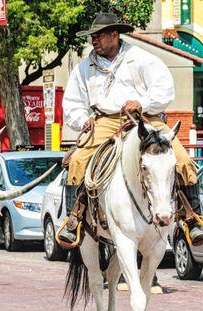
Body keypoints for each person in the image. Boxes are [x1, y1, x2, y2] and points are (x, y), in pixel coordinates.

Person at [58, 13, 203, 245]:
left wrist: (142, 103)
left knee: (182, 159)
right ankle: (73, 219)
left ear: (114, 35)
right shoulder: (85, 67)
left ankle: (192, 218)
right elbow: (72, 102)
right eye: (92, 37)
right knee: (77, 160)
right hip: (105, 120)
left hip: (145, 118)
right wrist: (81, 119)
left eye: (99, 36)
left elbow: (164, 90)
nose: (94, 41)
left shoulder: (143, 59)